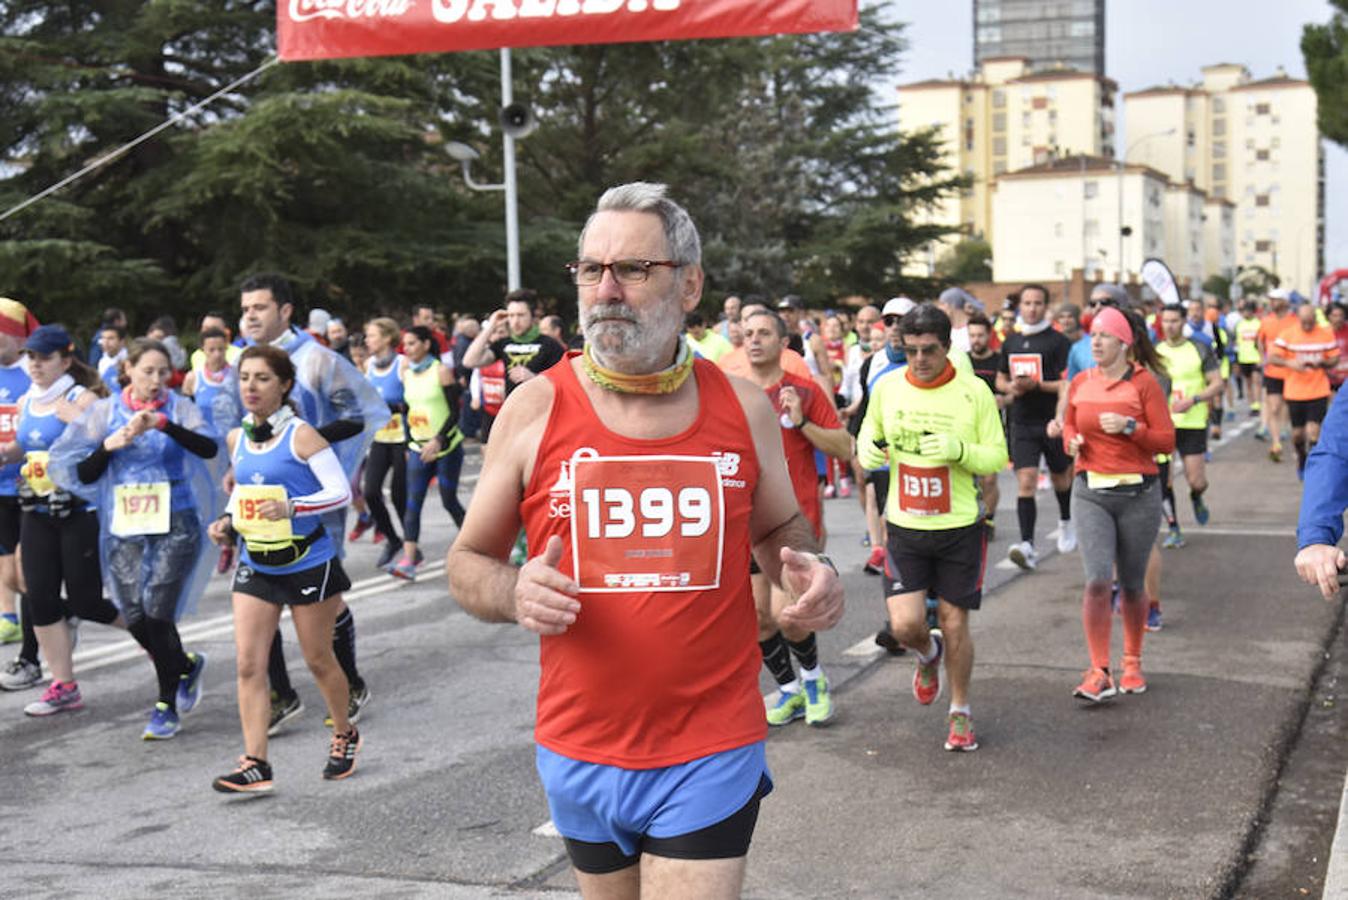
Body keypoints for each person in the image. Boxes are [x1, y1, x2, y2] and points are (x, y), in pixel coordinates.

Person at [447, 182, 843, 899]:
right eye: (591, 269)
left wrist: (809, 568)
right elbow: (467, 562)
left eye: (632, 270)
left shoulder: (743, 405)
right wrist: (514, 590)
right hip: (579, 747)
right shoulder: (534, 408)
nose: (606, 290)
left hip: (709, 742)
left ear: (689, 284)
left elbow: (779, 529)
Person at [207, 345, 361, 792]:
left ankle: (343, 732)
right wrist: (227, 522)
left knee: (318, 659)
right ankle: (256, 763)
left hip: (308, 562)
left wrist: (293, 505)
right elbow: (244, 495)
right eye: (245, 378)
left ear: (285, 385)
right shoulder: (238, 438)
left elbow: (339, 493)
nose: (250, 387)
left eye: (262, 378)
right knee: (247, 664)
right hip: (257, 562)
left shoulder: (302, 436)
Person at [237, 274, 385, 735]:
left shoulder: (318, 359)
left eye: (260, 307)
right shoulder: (247, 361)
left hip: (312, 496)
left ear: (285, 310)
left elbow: (358, 415)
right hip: (260, 498)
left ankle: (351, 682)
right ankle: (281, 693)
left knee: (324, 600)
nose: (251, 316)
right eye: (246, 309)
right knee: (261, 593)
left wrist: (308, 444)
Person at [51, 339, 221, 738]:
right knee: (137, 616)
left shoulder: (179, 406)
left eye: (164, 372)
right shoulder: (104, 413)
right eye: (148, 371)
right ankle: (185, 664)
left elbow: (209, 446)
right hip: (125, 526)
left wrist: (164, 425)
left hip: (175, 521)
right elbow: (83, 472)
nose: (157, 380)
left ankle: (165, 705)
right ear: (128, 370)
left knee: (159, 612)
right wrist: (111, 445)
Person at [858, 304, 1008, 751]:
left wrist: (958, 450)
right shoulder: (887, 388)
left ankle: (960, 711)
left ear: (947, 348)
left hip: (959, 525)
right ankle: (927, 653)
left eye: (929, 351)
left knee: (954, 620)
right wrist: (868, 452)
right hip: (905, 525)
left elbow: (995, 456)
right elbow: (869, 433)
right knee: (904, 626)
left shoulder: (973, 392)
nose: (919, 360)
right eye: (910, 351)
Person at [0, 326, 122, 716]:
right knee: (40, 595)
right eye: (31, 357)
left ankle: (160, 643)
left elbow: (110, 439)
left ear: (65, 361)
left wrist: (82, 420)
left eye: (44, 358)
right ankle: (63, 685)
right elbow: (26, 446)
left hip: (78, 511)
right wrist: (6, 454)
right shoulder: (26, 401)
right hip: (36, 508)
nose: (35, 365)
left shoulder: (79, 397)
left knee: (86, 601)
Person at [741, 309, 852, 727]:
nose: (754, 340)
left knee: (788, 614)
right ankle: (788, 689)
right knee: (758, 617)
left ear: (783, 343)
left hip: (794, 521)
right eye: (748, 333)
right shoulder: (732, 395)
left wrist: (802, 423)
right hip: (746, 523)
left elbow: (843, 446)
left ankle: (814, 680)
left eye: (764, 333)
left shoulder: (804, 391)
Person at [1061, 307, 1175, 702]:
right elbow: (1070, 424)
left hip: (1139, 494)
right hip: (1091, 491)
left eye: (1104, 336)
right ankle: (1098, 670)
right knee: (1096, 581)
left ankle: (1132, 661)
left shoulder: (1145, 384)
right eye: (1092, 335)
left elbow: (1165, 442)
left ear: (1124, 344)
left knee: (1130, 584)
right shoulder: (1080, 382)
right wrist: (1070, 441)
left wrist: (1131, 428)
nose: (1095, 342)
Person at [997, 284, 1075, 570]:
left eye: (1037, 303)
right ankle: (1027, 544)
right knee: (1026, 480)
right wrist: (1013, 388)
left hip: (1052, 420)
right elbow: (1000, 378)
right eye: (1027, 303)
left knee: (1060, 479)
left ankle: (1066, 520)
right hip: (1022, 421)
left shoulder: (1058, 342)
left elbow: (1069, 383)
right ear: (1020, 306)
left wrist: (1038, 384)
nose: (1031, 308)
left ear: (1046, 306)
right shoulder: (1012, 340)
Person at [388, 326, 464, 581]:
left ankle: (474, 548)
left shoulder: (441, 371)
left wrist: (438, 440)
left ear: (425, 345)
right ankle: (409, 560)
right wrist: (410, 443)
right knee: (413, 503)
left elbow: (455, 412)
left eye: (411, 344)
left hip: (447, 448)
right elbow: (408, 412)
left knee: (448, 500)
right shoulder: (407, 374)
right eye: (404, 344)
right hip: (418, 447)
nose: (406, 349)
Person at [1155, 303, 1222, 526]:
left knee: (1197, 481)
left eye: (1174, 321)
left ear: (1183, 322)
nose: (1170, 326)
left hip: (1192, 421)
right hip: (1163, 424)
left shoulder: (1199, 348)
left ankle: (1196, 497)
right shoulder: (1155, 352)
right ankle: (1174, 528)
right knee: (1163, 480)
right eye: (1166, 321)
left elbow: (1217, 384)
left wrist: (1193, 400)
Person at [0, 299, 37, 674]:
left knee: (25, 572)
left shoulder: (34, 371)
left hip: (30, 488)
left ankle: (31, 651)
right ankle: (17, 620)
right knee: (7, 571)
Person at [358, 318, 408, 568]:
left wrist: (394, 408)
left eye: (372, 336)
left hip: (402, 439)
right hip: (380, 438)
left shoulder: (402, 365)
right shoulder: (368, 366)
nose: (367, 340)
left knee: (400, 496)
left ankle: (411, 546)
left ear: (387, 338)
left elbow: (414, 401)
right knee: (370, 492)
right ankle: (393, 539)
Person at [1269, 301, 1339, 478]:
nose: (1307, 326)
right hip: (1295, 391)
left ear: (1315, 319)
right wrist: (1288, 362)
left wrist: (1322, 363)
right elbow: (1272, 357)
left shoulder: (1325, 334)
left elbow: (1334, 358)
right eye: (1304, 322)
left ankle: (1314, 467)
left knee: (1313, 430)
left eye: (1311, 322)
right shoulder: (1288, 334)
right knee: (1298, 434)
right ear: (1298, 319)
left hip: (1318, 390)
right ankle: (1301, 457)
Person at [461, 290, 566, 396]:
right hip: (513, 408)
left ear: (533, 315)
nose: (515, 321)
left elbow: (565, 383)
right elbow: (469, 361)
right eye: (511, 315)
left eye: (521, 315)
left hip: (541, 407)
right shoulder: (504, 343)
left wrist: (535, 378)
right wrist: (491, 325)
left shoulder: (550, 344)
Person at [967, 312, 1008, 535]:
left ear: (988, 335)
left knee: (989, 478)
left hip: (992, 425)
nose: (976, 340)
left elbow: (1011, 393)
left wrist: (1003, 399)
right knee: (972, 478)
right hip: (967, 424)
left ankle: (989, 519)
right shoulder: (963, 361)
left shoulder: (999, 360)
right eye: (972, 335)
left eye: (980, 335)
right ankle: (973, 514)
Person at [1257, 291, 1296, 459]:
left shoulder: (1295, 321)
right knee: (1273, 407)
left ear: (1285, 301)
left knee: (1288, 406)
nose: (1272, 302)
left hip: (1291, 371)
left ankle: (1287, 431)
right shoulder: (1266, 321)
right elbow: (1260, 340)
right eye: (1271, 299)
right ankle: (1276, 442)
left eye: (1275, 299)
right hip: (1272, 370)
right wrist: (1261, 357)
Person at [1233, 301, 1265, 412]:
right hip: (1243, 357)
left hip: (1255, 357)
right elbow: (1237, 342)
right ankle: (1252, 405)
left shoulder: (1258, 323)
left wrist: (1262, 357)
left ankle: (1258, 404)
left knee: (1256, 381)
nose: (1245, 313)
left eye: (1247, 311)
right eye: (1243, 311)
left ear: (1252, 311)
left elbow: (1262, 342)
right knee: (1248, 383)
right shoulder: (1239, 325)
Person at [936, 287, 976, 352]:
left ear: (952, 305)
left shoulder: (977, 327)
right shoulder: (941, 329)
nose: (939, 308)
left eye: (942, 304)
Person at [96, 324, 128, 393]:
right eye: (103, 338)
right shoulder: (102, 362)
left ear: (122, 341)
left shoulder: (129, 359)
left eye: (110, 338)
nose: (106, 342)